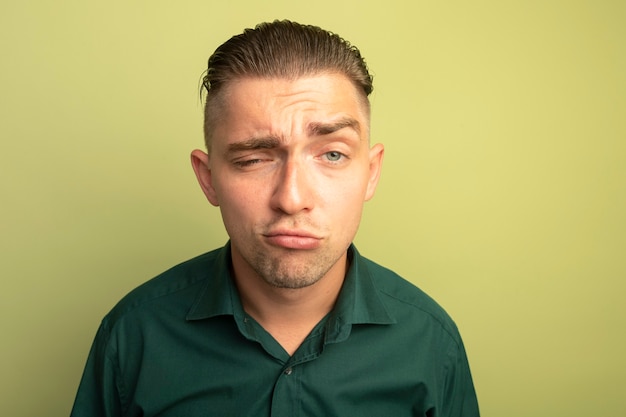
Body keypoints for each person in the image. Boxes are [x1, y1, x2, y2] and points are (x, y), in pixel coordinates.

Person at [70, 20, 480, 417]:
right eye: (253, 159)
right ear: (208, 178)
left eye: (332, 154)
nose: (292, 198)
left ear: (370, 173)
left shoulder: (432, 343)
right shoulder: (132, 336)